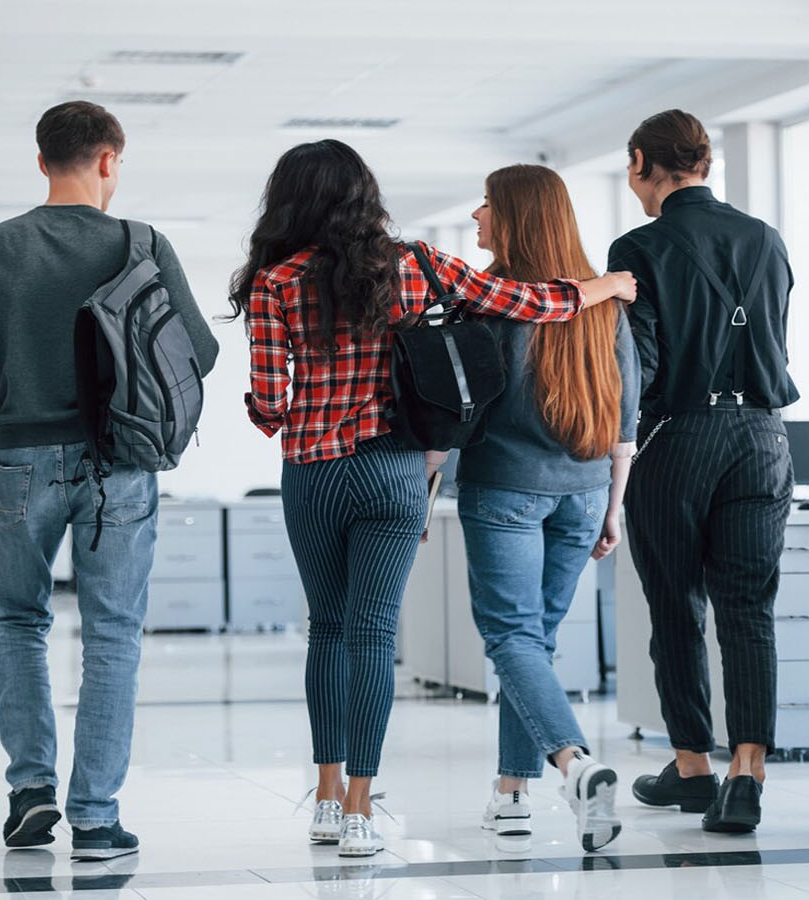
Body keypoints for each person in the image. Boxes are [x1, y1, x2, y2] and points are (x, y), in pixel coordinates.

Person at [228, 140, 636, 859]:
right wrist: (598, 288)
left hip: (317, 473)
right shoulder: (413, 265)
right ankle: (360, 810)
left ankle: (324, 801)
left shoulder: (275, 282)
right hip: (394, 475)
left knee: (328, 629)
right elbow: (527, 301)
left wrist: (278, 412)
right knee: (375, 638)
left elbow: (268, 404)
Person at [0, 101, 221, 860]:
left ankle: (31, 794)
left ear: (40, 162)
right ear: (107, 161)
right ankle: (95, 818)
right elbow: (203, 353)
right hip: (118, 465)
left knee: (19, 624)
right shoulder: (141, 242)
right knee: (114, 634)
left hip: (16, 464)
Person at [607, 109, 798, 834]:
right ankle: (746, 771)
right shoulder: (765, 240)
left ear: (640, 162)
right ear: (705, 163)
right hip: (764, 438)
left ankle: (692, 767)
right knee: (749, 608)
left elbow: (643, 365)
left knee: (678, 606)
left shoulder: (639, 246)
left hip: (680, 437)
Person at [457, 165, 639, 853]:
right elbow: (626, 418)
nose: (477, 215)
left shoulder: (493, 306)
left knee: (512, 639)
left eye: (487, 205)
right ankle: (509, 793)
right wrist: (613, 509)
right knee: (534, 643)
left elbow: (460, 410)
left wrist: (424, 490)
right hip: (587, 492)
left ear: (515, 218)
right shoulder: (608, 304)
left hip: (505, 488)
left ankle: (573, 763)